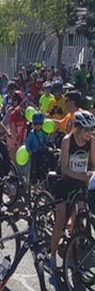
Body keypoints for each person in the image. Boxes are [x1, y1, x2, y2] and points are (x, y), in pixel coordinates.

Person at [50, 111, 95, 259]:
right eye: (87, 129)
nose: (90, 133)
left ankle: (74, 235)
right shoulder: (67, 140)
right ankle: (52, 255)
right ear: (78, 128)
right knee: (61, 219)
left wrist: (89, 174)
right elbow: (64, 169)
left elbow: (93, 163)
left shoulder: (92, 141)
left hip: (81, 181)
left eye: (92, 129)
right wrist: (82, 176)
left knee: (82, 208)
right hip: (65, 181)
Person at [26, 112, 51, 185]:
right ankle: (33, 180)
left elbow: (46, 141)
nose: (37, 126)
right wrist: (29, 150)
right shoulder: (31, 133)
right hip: (34, 152)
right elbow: (28, 143)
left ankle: (42, 178)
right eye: (35, 124)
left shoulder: (44, 132)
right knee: (34, 166)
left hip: (42, 151)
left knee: (43, 165)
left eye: (39, 124)